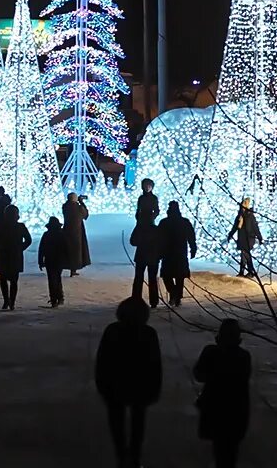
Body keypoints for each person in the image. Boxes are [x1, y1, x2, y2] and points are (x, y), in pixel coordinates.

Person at [95, 296, 162, 468]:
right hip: (140, 385)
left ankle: (121, 454)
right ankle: (134, 456)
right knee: (138, 423)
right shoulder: (148, 333)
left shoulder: (112, 330)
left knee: (117, 422)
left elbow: (102, 360)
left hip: (115, 384)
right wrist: (154, 388)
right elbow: (155, 364)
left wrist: (102, 385)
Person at [194, 319, 252, 468]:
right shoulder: (243, 356)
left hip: (216, 410)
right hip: (236, 411)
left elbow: (199, 374)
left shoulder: (211, 352)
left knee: (220, 450)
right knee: (230, 452)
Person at [0, 204, 32, 311]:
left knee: (4, 280)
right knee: (13, 281)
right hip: (15, 256)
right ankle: (11, 302)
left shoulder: (0, 226)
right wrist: (20, 248)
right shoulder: (20, 227)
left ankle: (7, 301)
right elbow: (28, 240)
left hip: (4, 256)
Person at [158, 200, 198, 305]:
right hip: (180, 252)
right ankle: (177, 296)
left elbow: (158, 238)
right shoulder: (184, 222)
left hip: (168, 253)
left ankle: (174, 295)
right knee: (179, 277)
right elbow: (191, 237)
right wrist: (193, 248)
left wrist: (158, 251)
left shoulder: (164, 222)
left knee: (168, 276)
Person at [225, 198, 264, 278]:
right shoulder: (239, 216)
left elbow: (255, 227)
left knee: (246, 254)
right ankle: (243, 271)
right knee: (244, 254)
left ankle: (251, 271)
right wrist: (230, 234)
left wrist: (259, 237)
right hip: (242, 238)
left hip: (248, 238)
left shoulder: (250, 216)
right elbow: (235, 227)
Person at [131, 215, 162, 308]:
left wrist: (141, 241)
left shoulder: (139, 228)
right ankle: (154, 301)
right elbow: (161, 243)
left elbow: (133, 241)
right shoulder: (156, 229)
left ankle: (136, 300)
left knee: (138, 279)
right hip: (153, 257)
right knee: (152, 279)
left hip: (141, 256)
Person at [38, 215, 67, 306]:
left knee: (52, 279)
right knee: (57, 278)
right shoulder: (62, 234)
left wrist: (40, 261)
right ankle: (60, 297)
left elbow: (41, 249)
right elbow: (66, 248)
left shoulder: (46, 235)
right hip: (59, 260)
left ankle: (54, 299)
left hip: (49, 260)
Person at [63, 193, 90, 275]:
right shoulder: (77, 208)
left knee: (68, 250)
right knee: (76, 252)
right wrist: (81, 202)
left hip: (66, 231)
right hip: (77, 232)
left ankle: (71, 268)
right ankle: (73, 269)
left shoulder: (65, 206)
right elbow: (86, 215)